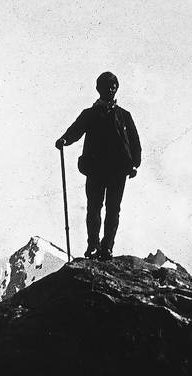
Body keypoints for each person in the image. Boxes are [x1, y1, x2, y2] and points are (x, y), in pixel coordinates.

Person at [55, 71, 141, 260]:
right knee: (94, 208)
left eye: (113, 86)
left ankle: (107, 247)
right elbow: (75, 130)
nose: (110, 89)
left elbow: (134, 141)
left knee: (113, 209)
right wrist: (64, 140)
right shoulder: (90, 114)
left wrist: (135, 163)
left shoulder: (124, 115)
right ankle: (93, 245)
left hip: (118, 169)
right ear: (98, 89)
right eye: (107, 86)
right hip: (96, 169)